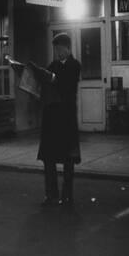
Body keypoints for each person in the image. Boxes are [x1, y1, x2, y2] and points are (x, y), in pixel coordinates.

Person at [28, 33, 82, 208]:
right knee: (49, 159)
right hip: (51, 119)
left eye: (60, 49)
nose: (58, 53)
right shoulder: (53, 65)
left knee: (68, 161)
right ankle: (51, 195)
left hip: (65, 119)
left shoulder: (74, 65)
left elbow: (64, 84)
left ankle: (67, 196)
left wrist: (48, 76)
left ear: (68, 48)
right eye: (55, 49)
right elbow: (45, 84)